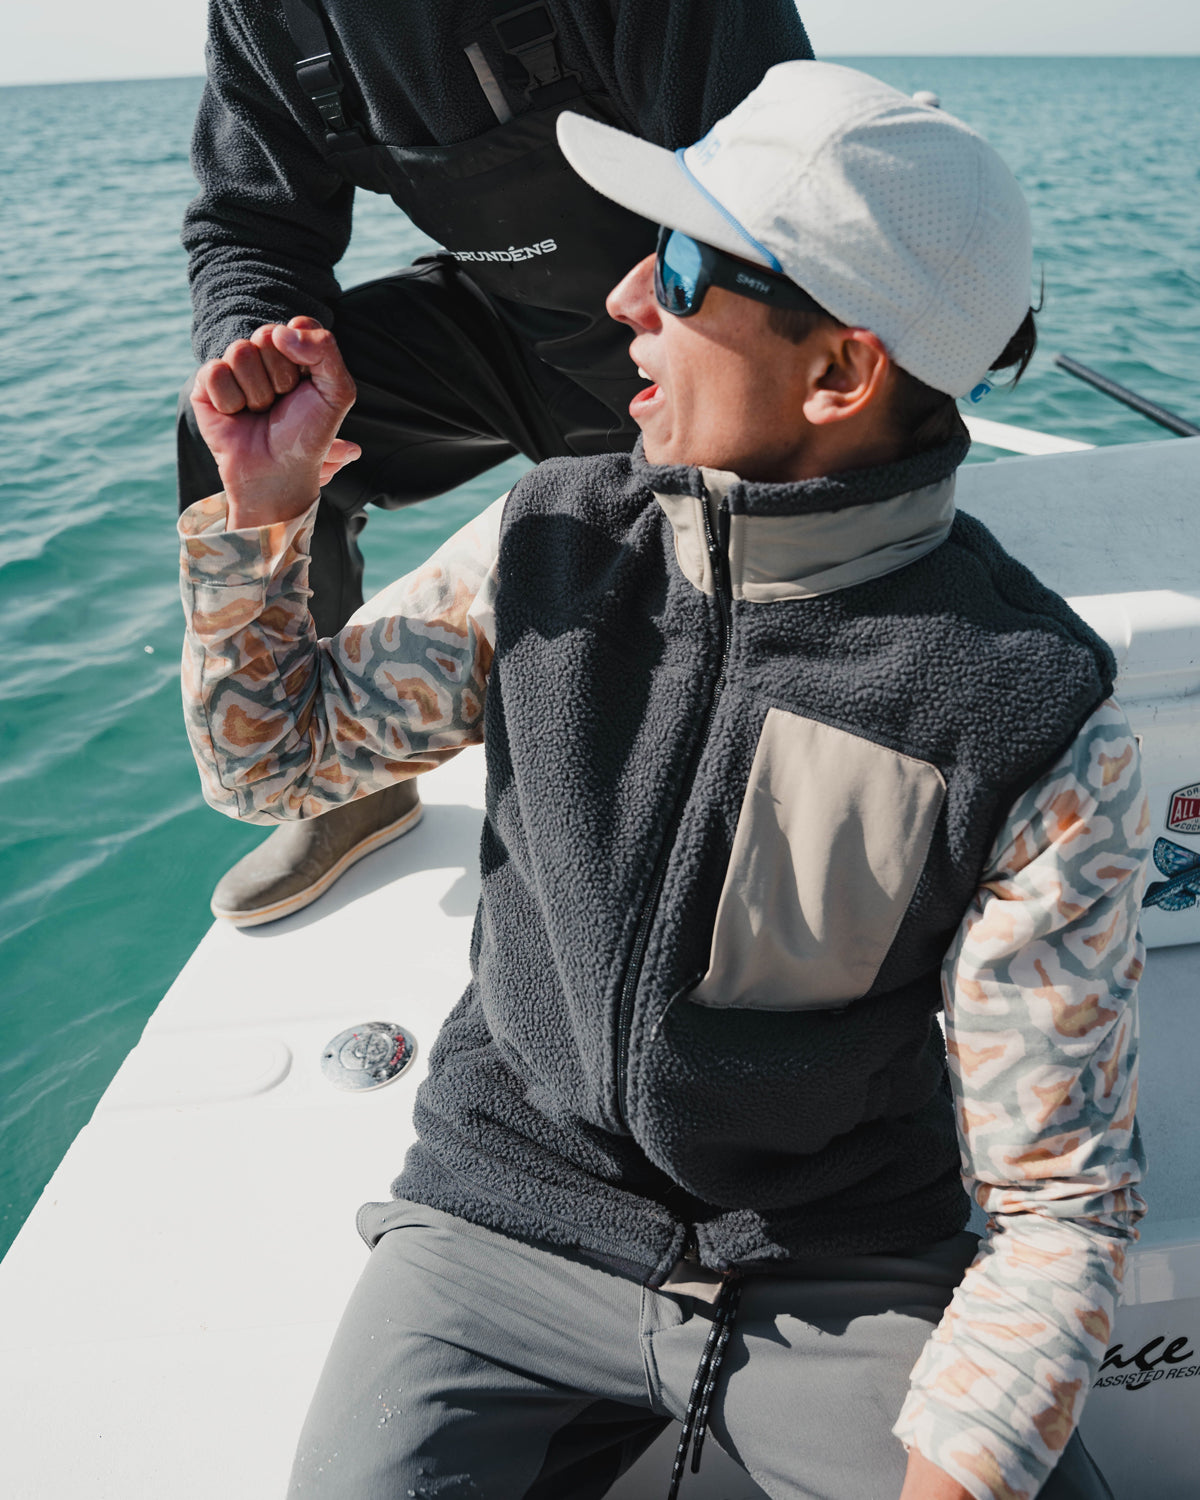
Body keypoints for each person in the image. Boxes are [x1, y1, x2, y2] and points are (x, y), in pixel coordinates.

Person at [178, 62, 1148, 1500]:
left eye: (682, 266)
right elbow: (280, 759)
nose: (626, 297)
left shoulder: (1022, 713)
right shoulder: (548, 539)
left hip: (842, 1274)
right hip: (502, 1217)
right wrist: (264, 519)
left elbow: (1057, 1205)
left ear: (840, 373)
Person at [178, 0, 814, 926]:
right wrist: (255, 347)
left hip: (694, 334)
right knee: (230, 431)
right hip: (508, 322)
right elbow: (247, 222)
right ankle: (352, 787)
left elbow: (773, 196)